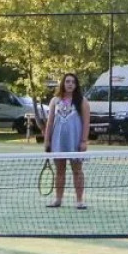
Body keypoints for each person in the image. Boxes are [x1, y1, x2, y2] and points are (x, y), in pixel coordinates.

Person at [42, 71, 89, 209]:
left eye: (73, 82)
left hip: (75, 142)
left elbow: (86, 123)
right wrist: (47, 141)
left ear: (76, 85)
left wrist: (84, 141)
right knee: (60, 171)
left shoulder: (82, 101)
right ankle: (58, 199)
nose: (70, 84)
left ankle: (79, 201)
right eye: (67, 81)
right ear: (63, 83)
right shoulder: (54, 101)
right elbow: (50, 122)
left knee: (77, 171)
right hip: (58, 142)